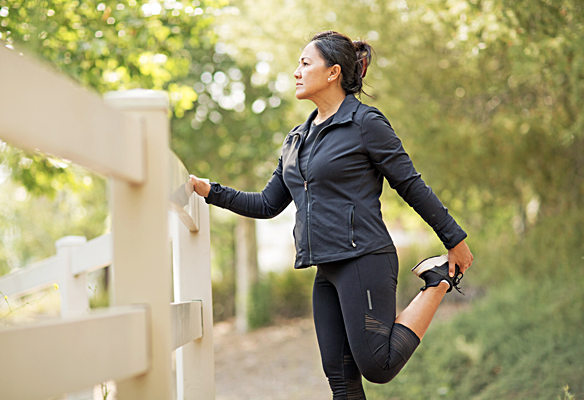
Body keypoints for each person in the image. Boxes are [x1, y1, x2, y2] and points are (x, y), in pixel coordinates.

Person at [189, 31, 474, 399]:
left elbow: (410, 184)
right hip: (326, 268)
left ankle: (437, 283)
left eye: (305, 63)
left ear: (333, 72)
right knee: (340, 379)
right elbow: (267, 204)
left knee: (378, 365)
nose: (296, 71)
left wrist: (455, 239)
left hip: (364, 258)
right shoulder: (296, 140)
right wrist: (211, 192)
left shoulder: (365, 124)